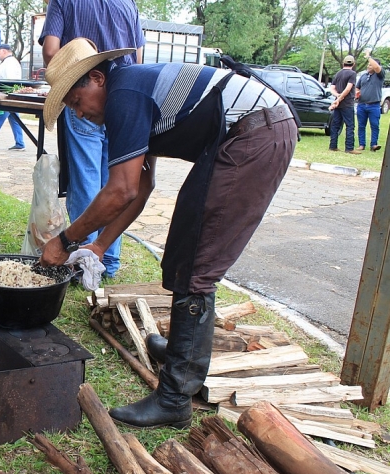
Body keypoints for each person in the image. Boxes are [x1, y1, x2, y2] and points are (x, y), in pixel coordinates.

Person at [38, 39, 298, 429]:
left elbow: (120, 190)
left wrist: (65, 240)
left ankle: (175, 398)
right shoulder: (129, 90)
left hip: (255, 132)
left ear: (96, 78)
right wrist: (99, 245)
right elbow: (141, 188)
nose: (79, 113)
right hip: (245, 131)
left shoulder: (124, 94)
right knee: (183, 247)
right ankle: (183, 352)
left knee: (198, 260)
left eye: (77, 101)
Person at [39, 0, 145, 278]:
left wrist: (68, 86)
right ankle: (105, 260)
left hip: (85, 89)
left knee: (87, 181)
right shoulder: (128, 4)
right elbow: (139, 56)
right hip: (124, 93)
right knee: (117, 179)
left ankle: (84, 261)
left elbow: (51, 51)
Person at [328, 55, 360, 154]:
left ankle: (333, 146)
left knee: (335, 125)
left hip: (338, 104)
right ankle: (349, 148)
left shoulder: (338, 73)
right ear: (353, 64)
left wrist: (337, 97)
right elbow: (348, 88)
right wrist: (341, 98)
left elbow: (332, 88)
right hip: (347, 104)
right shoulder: (352, 74)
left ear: (343, 63)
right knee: (350, 126)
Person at [355, 50, 384, 152]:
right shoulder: (363, 75)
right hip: (362, 104)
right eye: (368, 65)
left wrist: (368, 56)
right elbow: (357, 87)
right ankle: (361, 144)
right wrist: (357, 93)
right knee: (361, 125)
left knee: (374, 125)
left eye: (370, 65)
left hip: (374, 105)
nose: (368, 66)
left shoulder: (379, 75)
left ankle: (374, 145)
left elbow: (376, 67)